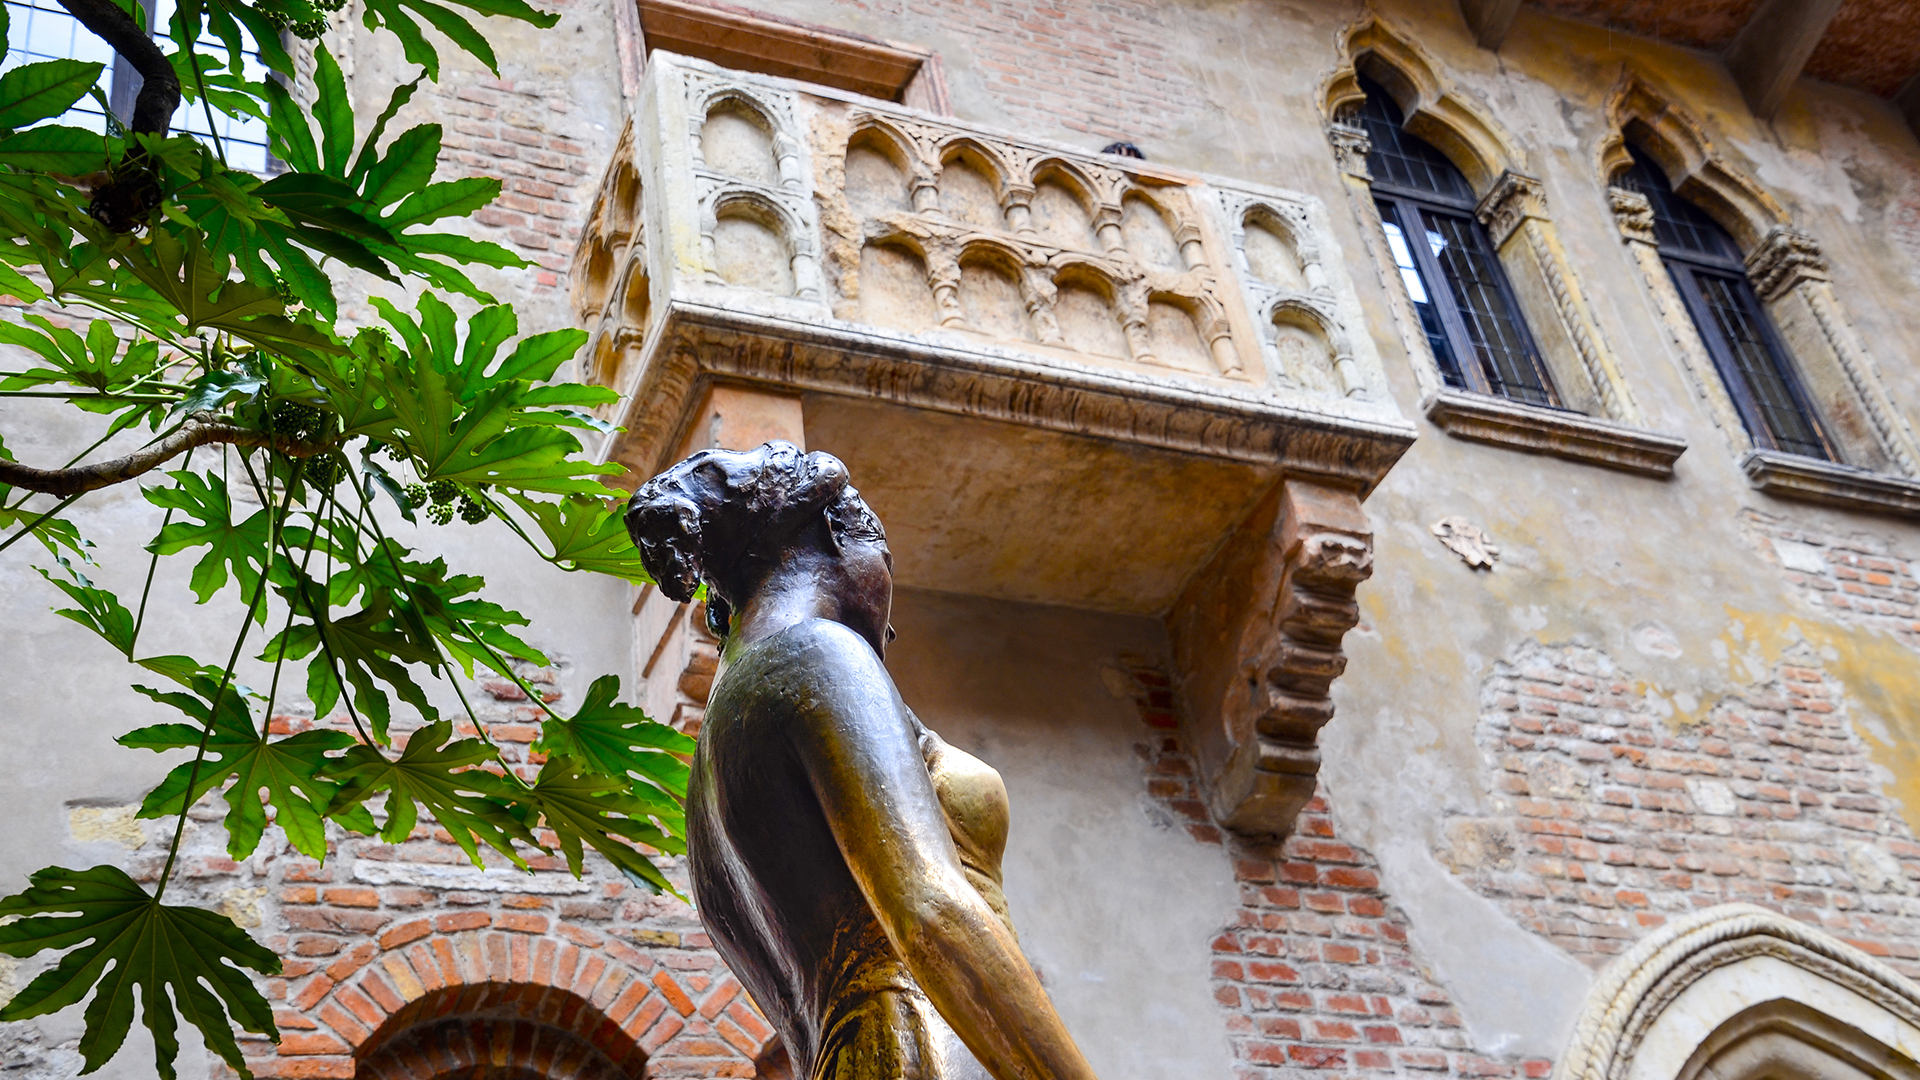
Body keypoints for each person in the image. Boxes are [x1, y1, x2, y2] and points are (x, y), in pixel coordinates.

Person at [626, 441, 1099, 1080]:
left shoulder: (721, 738)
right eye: (885, 556)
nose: (891, 627)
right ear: (835, 537)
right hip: (925, 1040)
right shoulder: (816, 656)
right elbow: (933, 910)